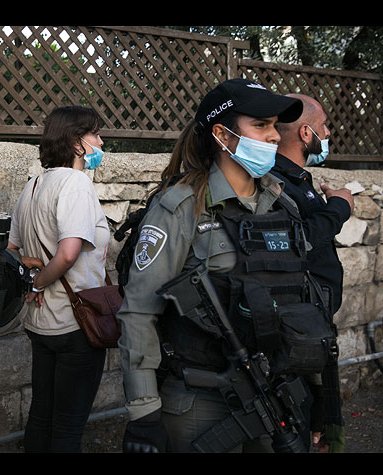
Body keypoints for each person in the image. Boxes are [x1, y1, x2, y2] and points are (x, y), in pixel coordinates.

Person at [117, 79, 334, 453]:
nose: (274, 138)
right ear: (222, 134)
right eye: (261, 125)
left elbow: (302, 302)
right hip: (201, 398)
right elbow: (138, 311)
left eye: (273, 126)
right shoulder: (181, 207)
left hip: (274, 392)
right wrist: (144, 413)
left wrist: (318, 395)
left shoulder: (283, 205)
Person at [7, 106, 109, 452]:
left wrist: (31, 272)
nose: (101, 140)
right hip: (76, 324)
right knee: (68, 425)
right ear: (77, 143)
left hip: (40, 325)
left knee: (42, 415)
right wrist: (37, 282)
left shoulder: (34, 185)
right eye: (94, 133)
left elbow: (9, 251)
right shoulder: (76, 183)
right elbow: (68, 253)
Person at [273, 94, 354, 453]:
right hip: (293, 332)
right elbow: (298, 241)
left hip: (315, 325)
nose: (328, 132)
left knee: (321, 425)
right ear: (306, 133)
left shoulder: (298, 178)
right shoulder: (275, 182)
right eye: (323, 126)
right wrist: (338, 207)